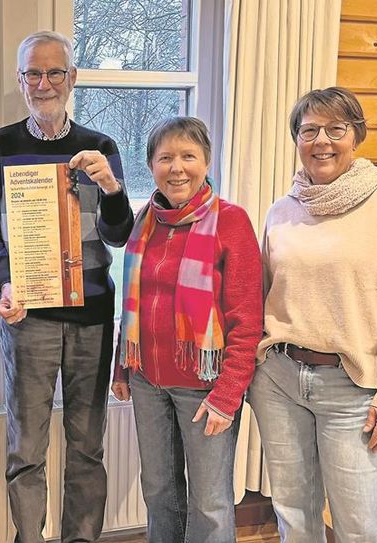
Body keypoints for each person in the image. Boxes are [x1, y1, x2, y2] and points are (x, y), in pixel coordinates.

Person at [0, 30, 134, 543]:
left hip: (91, 318)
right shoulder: (1, 145)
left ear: (72, 78)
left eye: (54, 73)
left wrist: (111, 187)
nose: (44, 84)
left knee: (87, 445)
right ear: (21, 81)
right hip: (28, 316)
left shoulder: (101, 147)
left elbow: (119, 235)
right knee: (27, 447)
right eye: (33, 75)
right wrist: (5, 282)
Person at [249, 87, 377, 542]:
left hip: (353, 390)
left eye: (336, 129)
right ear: (297, 139)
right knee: (293, 512)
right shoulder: (281, 212)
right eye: (309, 131)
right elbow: (265, 296)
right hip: (280, 380)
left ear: (357, 136)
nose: (322, 141)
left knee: (361, 523)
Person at [110, 117, 262, 543]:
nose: (177, 168)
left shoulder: (231, 221)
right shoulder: (146, 219)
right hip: (147, 381)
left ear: (206, 161)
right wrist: (122, 368)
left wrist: (228, 395)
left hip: (205, 389)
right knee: (159, 492)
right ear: (151, 166)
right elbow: (133, 301)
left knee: (210, 502)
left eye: (188, 156)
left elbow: (247, 319)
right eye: (165, 158)